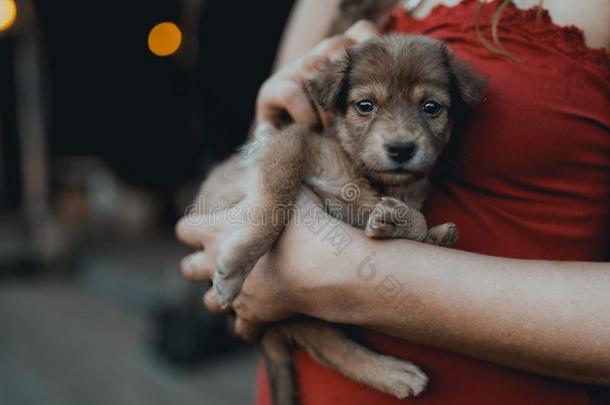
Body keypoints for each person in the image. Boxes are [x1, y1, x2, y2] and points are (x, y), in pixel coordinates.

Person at [176, 0, 610, 403]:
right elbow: (266, 155)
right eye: (366, 104)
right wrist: (270, 120)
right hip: (306, 383)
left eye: (431, 107)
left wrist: (340, 273)